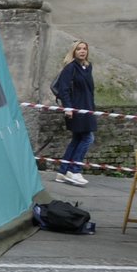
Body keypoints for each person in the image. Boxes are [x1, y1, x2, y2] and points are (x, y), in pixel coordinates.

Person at [52, 40, 96, 186]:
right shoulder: (70, 68)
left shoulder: (87, 67)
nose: (82, 51)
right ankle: (74, 170)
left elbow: (89, 90)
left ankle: (63, 171)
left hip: (87, 107)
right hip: (76, 109)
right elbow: (64, 89)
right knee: (88, 138)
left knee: (77, 139)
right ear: (73, 51)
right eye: (79, 49)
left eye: (84, 49)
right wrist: (68, 108)